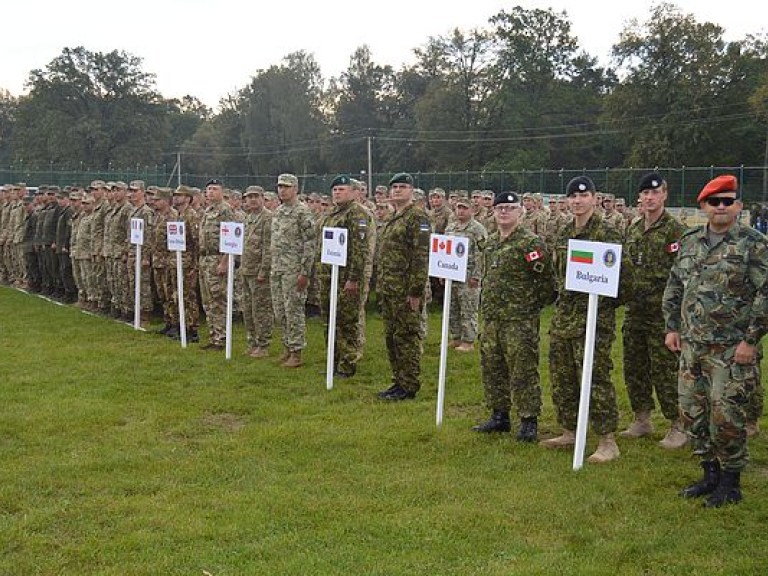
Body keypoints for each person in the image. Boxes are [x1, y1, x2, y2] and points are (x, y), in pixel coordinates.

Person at [662, 174, 768, 507]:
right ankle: (709, 473)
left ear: (738, 206)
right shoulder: (690, 240)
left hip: (731, 348)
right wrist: (672, 327)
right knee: (693, 412)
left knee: (726, 415)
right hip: (692, 346)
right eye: (714, 202)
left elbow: (765, 293)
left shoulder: (753, 243)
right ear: (704, 206)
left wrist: (751, 341)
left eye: (728, 201)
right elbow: (675, 284)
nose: (721, 208)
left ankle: (731, 480)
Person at [541, 176, 623, 463]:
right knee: (562, 375)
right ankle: (571, 430)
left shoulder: (607, 233)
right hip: (565, 316)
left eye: (583, 196)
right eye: (572, 197)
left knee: (595, 376)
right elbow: (556, 272)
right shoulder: (565, 231)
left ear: (594, 198)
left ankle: (607, 440)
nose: (577, 201)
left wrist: (602, 305)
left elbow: (622, 281)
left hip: (594, 318)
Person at [473, 192, 554, 440]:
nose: (504, 212)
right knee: (493, 366)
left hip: (519, 319)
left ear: (521, 212)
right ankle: (499, 415)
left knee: (523, 369)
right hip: (492, 318)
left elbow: (547, 284)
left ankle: (528, 420)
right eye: (500, 208)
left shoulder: (530, 243)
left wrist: (528, 307)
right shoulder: (492, 242)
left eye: (510, 208)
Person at [620, 172, 688, 448]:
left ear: (664, 195)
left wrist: (678, 319)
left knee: (666, 370)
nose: (649, 197)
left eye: (655, 192)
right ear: (639, 197)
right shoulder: (634, 229)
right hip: (635, 311)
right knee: (635, 367)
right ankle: (642, 419)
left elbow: (684, 275)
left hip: (663, 314)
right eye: (645, 193)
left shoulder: (676, 230)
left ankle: (678, 424)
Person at [376, 172, 431, 400]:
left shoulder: (417, 217)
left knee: (406, 336)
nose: (397, 190)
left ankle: (409, 385)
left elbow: (421, 256)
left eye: (402, 187)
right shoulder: (393, 217)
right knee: (391, 336)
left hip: (406, 290)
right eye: (394, 187)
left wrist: (416, 291)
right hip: (389, 288)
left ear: (411, 190)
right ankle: (397, 380)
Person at [316, 174, 373, 377]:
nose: (337, 193)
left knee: (347, 321)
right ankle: (333, 360)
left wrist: (354, 278)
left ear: (352, 192)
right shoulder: (331, 214)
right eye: (334, 190)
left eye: (341, 189)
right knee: (329, 320)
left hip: (346, 277)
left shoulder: (356, 213)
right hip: (328, 275)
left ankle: (348, 363)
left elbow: (360, 249)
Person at [270, 173, 316, 367]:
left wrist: (305, 272)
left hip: (293, 270)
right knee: (280, 311)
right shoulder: (279, 211)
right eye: (280, 186)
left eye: (286, 187)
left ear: (295, 189)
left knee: (293, 311)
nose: (282, 190)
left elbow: (310, 243)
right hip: (278, 268)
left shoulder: (302, 212)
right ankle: (287, 347)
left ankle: (297, 352)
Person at [445, 191, 487, 352]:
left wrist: (477, 276)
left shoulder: (477, 229)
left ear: (472, 211)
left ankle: (468, 340)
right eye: (458, 208)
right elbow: (445, 252)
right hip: (452, 274)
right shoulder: (450, 228)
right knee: (452, 308)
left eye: (464, 208)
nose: (460, 211)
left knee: (468, 308)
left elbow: (482, 254)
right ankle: (456, 337)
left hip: (469, 276)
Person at [198, 178, 234, 350]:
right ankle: (213, 335)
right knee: (208, 300)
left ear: (222, 192)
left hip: (217, 258)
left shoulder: (225, 210)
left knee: (218, 299)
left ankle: (222, 337)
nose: (210, 192)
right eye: (208, 189)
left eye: (214, 189)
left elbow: (231, 239)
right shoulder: (208, 211)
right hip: (205, 259)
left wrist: (225, 261)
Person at [240, 186, 273, 358]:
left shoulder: (267, 218)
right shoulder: (247, 218)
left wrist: (264, 270)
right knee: (248, 309)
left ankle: (263, 343)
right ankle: (252, 341)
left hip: (259, 272)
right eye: (249, 197)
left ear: (262, 198)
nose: (252, 200)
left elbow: (268, 247)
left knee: (261, 309)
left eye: (255, 196)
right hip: (246, 269)